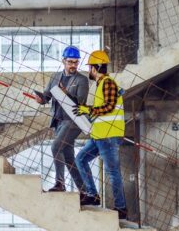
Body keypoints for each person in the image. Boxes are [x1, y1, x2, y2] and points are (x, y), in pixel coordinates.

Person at [74, 50, 128, 220]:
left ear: (96, 67)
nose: (89, 70)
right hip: (99, 136)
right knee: (81, 159)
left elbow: (109, 106)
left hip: (109, 136)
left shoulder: (107, 83)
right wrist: (87, 114)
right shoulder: (100, 85)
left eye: (90, 67)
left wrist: (88, 110)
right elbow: (100, 111)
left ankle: (121, 208)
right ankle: (93, 195)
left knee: (113, 172)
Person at [35, 45, 89, 192]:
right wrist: (41, 99)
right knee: (69, 158)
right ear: (63, 61)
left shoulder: (82, 80)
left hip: (73, 121)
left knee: (55, 147)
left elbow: (81, 103)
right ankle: (84, 191)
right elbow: (47, 95)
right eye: (70, 62)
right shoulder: (55, 77)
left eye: (76, 62)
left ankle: (60, 183)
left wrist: (66, 93)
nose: (73, 65)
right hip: (58, 121)